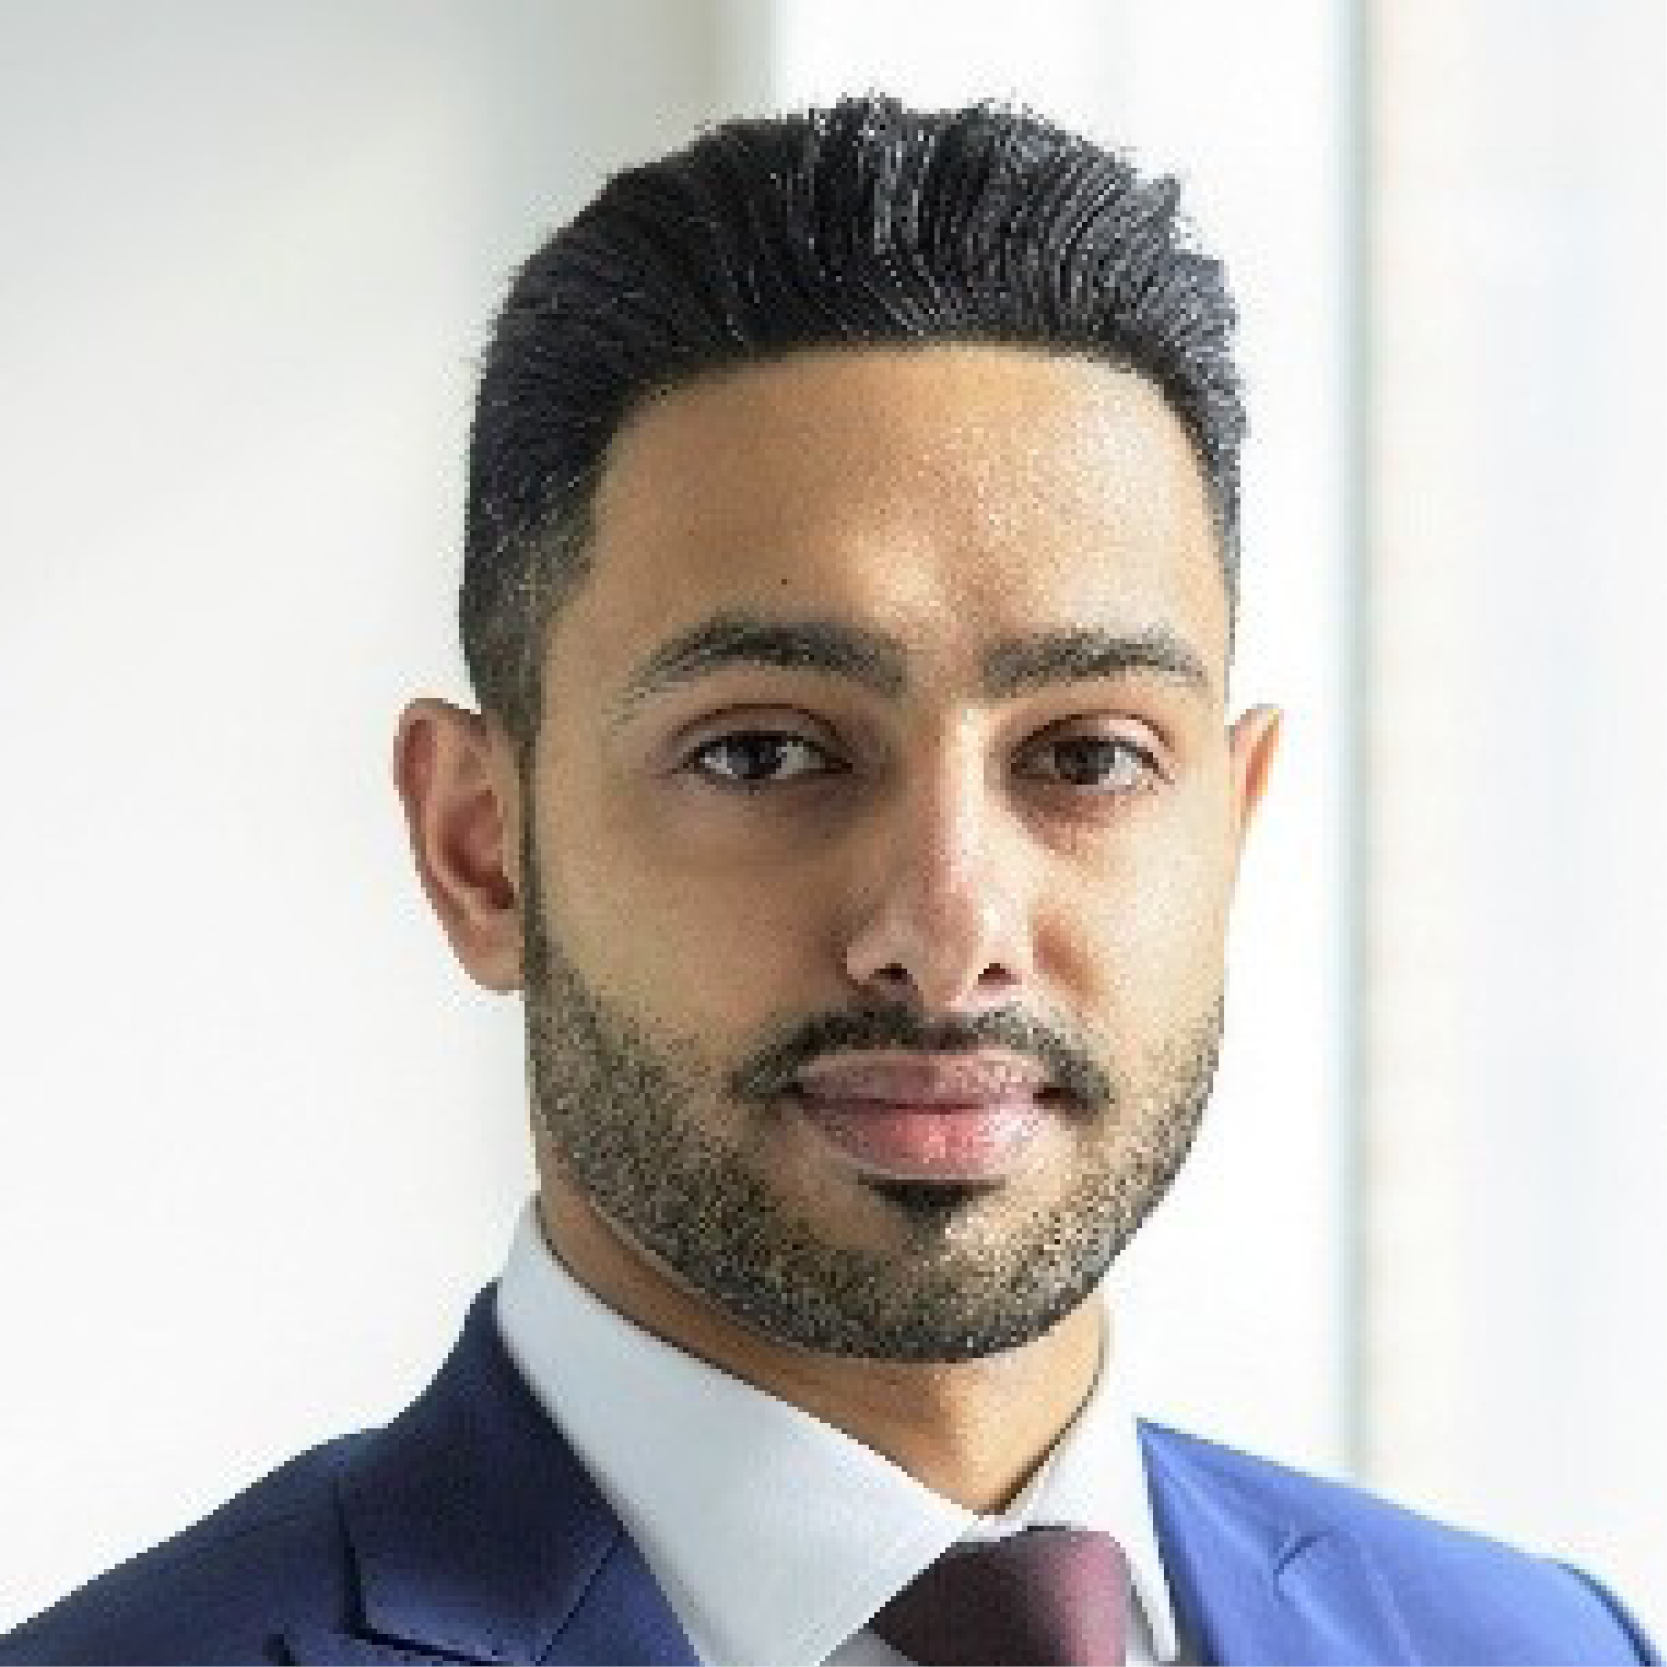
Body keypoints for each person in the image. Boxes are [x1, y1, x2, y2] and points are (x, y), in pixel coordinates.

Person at [1, 92, 1655, 1667]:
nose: (949, 932)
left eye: (1086, 757)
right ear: (480, 846)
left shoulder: (1546, 1646)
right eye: (763, 753)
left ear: (1234, 827)